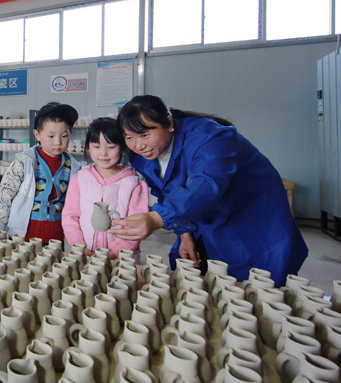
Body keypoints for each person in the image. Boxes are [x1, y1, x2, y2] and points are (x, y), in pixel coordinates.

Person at [110, 95, 308, 286]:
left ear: (169, 123)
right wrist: (184, 234)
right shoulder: (142, 156)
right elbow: (167, 193)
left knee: (256, 282)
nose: (138, 145)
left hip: (252, 216)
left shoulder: (210, 137)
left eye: (145, 135)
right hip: (201, 214)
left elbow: (206, 185)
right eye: (130, 137)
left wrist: (156, 219)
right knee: (195, 273)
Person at [0, 102, 82, 242]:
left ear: (70, 133)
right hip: (23, 235)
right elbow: (5, 194)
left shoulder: (74, 167)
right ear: (37, 135)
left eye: (64, 136)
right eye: (51, 136)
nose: (58, 142)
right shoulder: (24, 162)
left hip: (56, 236)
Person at [61, 117, 149, 261]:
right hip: (85, 254)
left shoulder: (133, 183)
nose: (103, 153)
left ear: (122, 147)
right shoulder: (80, 179)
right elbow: (70, 216)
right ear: (88, 148)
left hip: (122, 258)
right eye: (96, 146)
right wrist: (79, 247)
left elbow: (135, 225)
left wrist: (116, 250)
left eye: (111, 146)